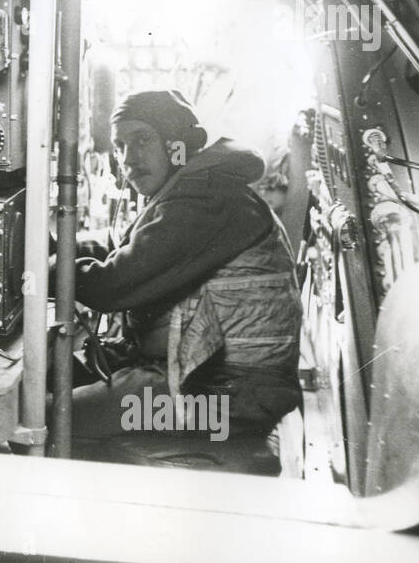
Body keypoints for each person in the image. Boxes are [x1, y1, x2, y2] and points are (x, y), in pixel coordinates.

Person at [68, 89, 302, 468]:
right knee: (58, 375)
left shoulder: (204, 199)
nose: (128, 159)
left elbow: (114, 285)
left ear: (178, 145)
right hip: (209, 377)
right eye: (120, 146)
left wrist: (54, 266)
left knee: (54, 416)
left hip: (224, 401)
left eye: (142, 140)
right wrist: (64, 246)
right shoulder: (194, 187)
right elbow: (131, 246)